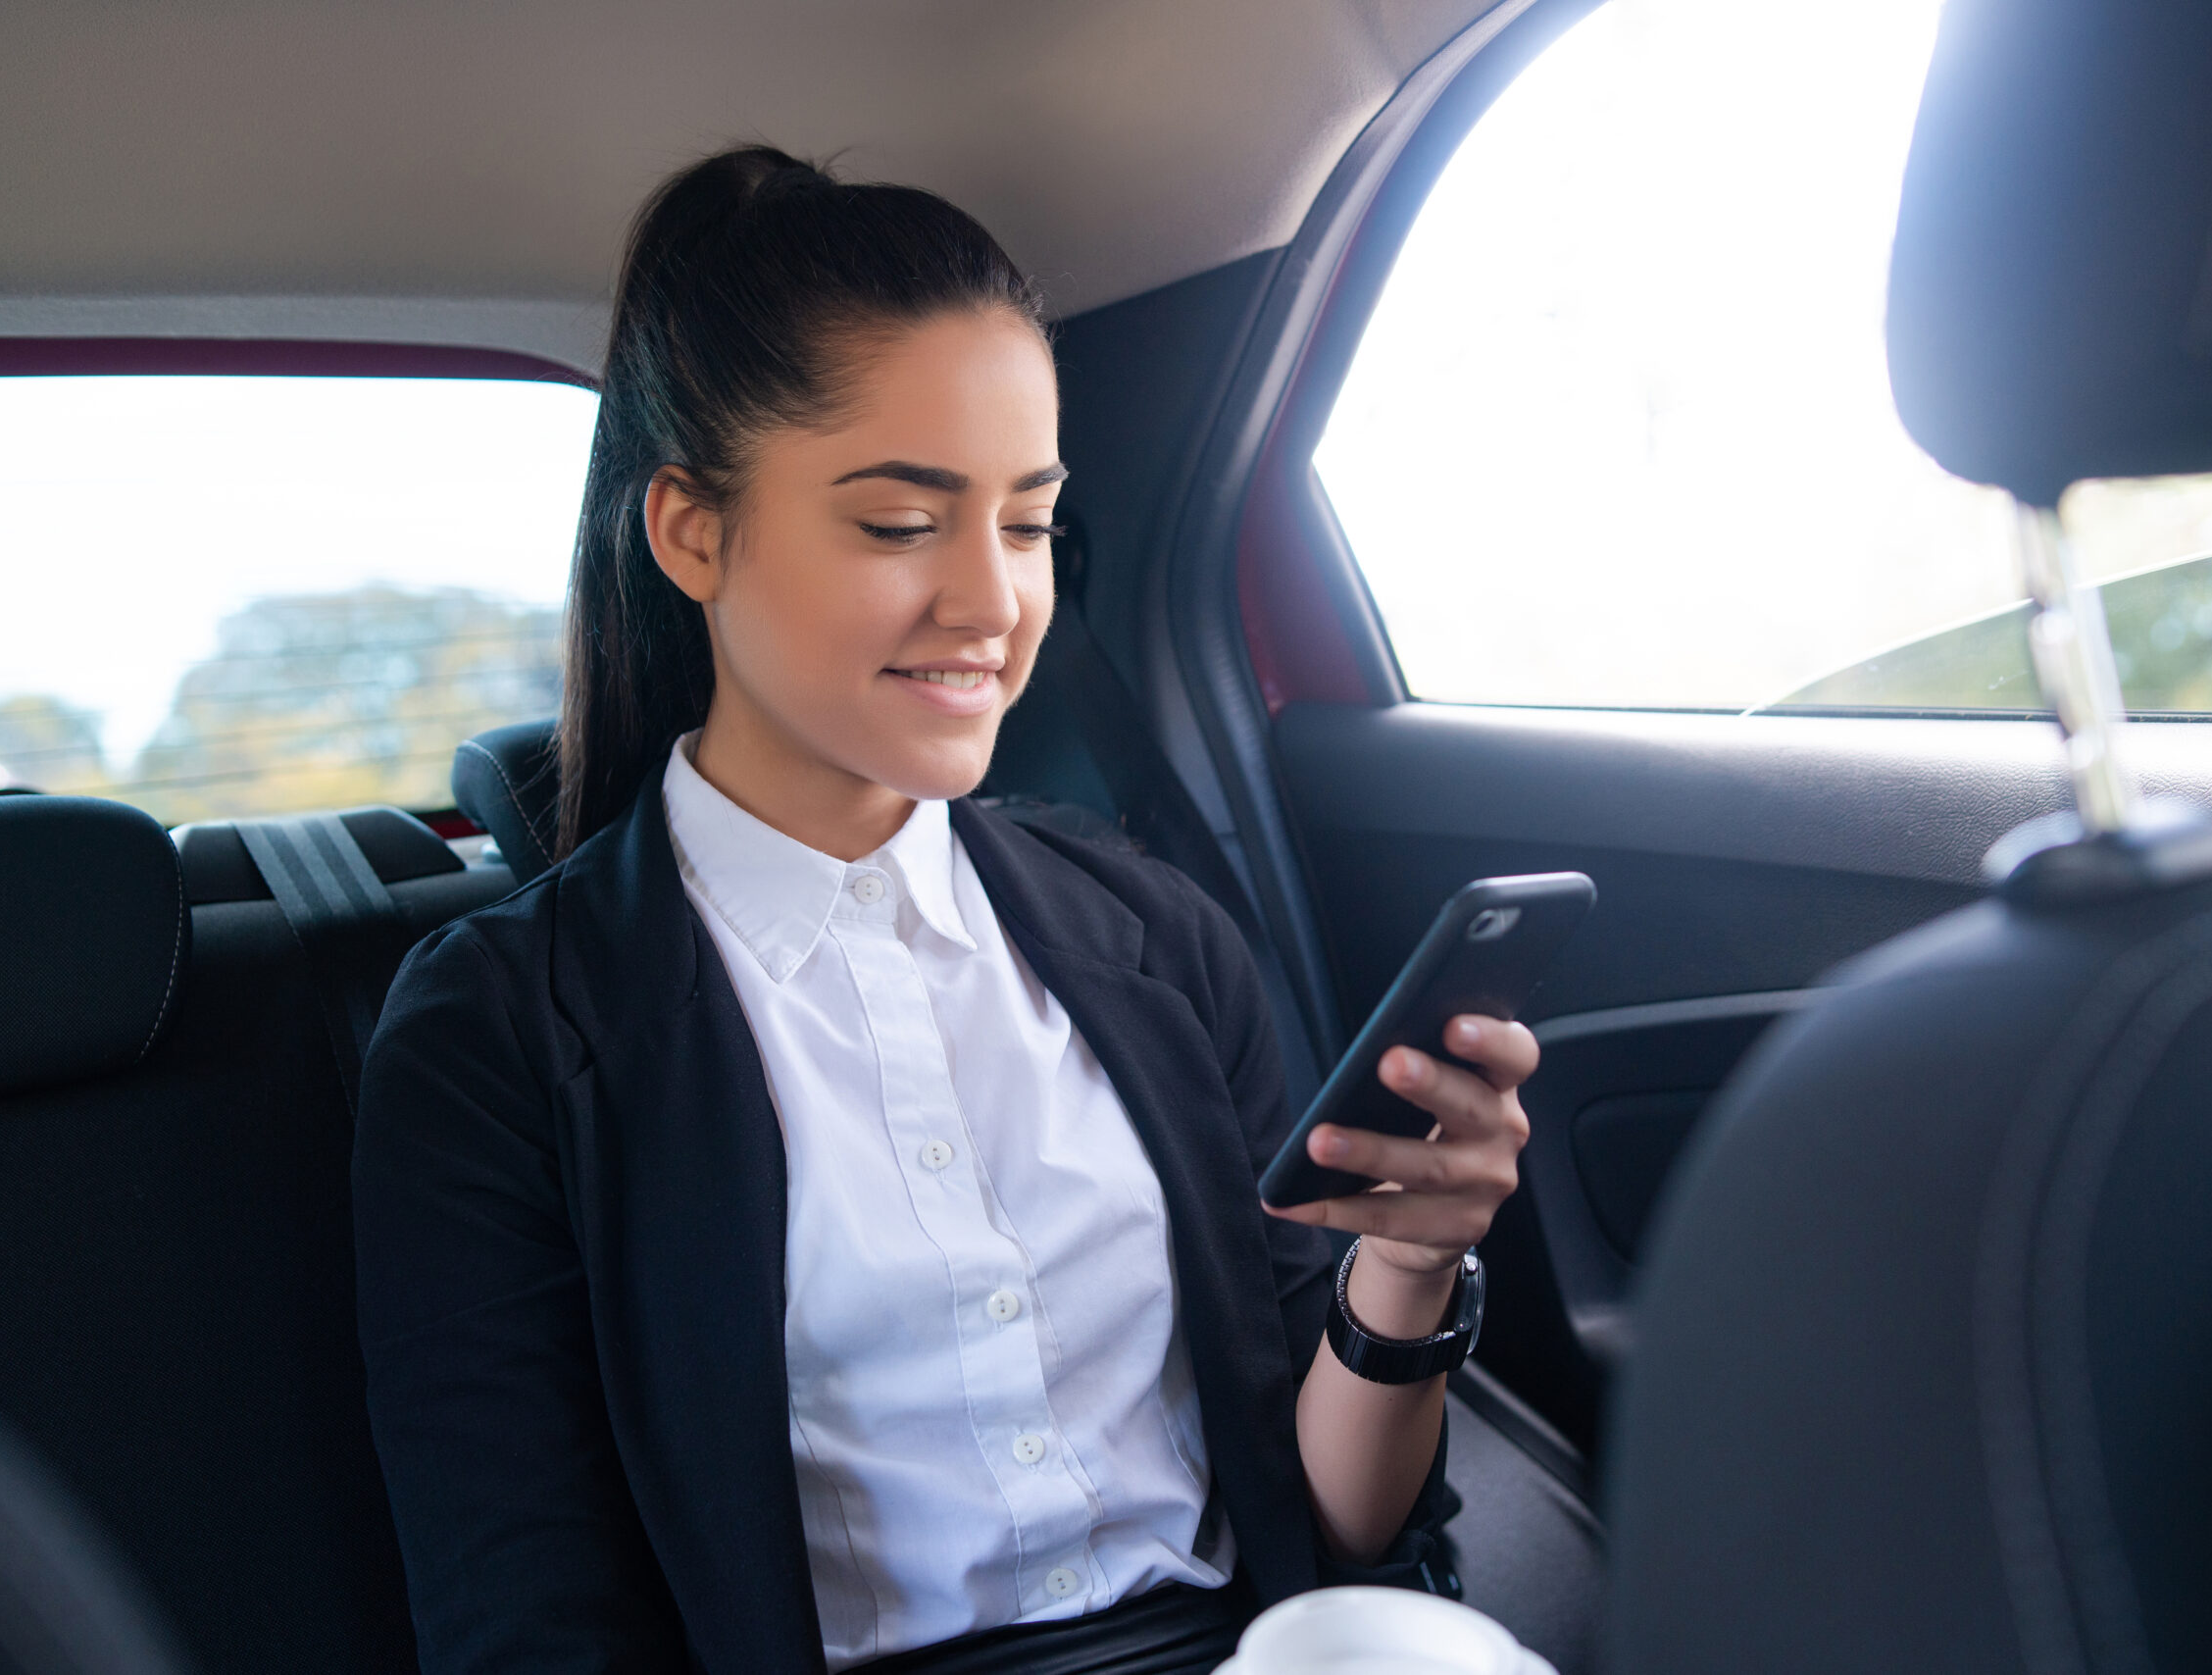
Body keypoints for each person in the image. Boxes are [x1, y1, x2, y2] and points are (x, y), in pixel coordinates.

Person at [354, 145, 1539, 1675]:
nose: (991, 601)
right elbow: (530, 1624)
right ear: (691, 531)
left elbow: (1344, 1539)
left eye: (1029, 523)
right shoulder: (497, 1040)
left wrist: (1406, 1269)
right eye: (904, 524)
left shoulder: (1152, 936)